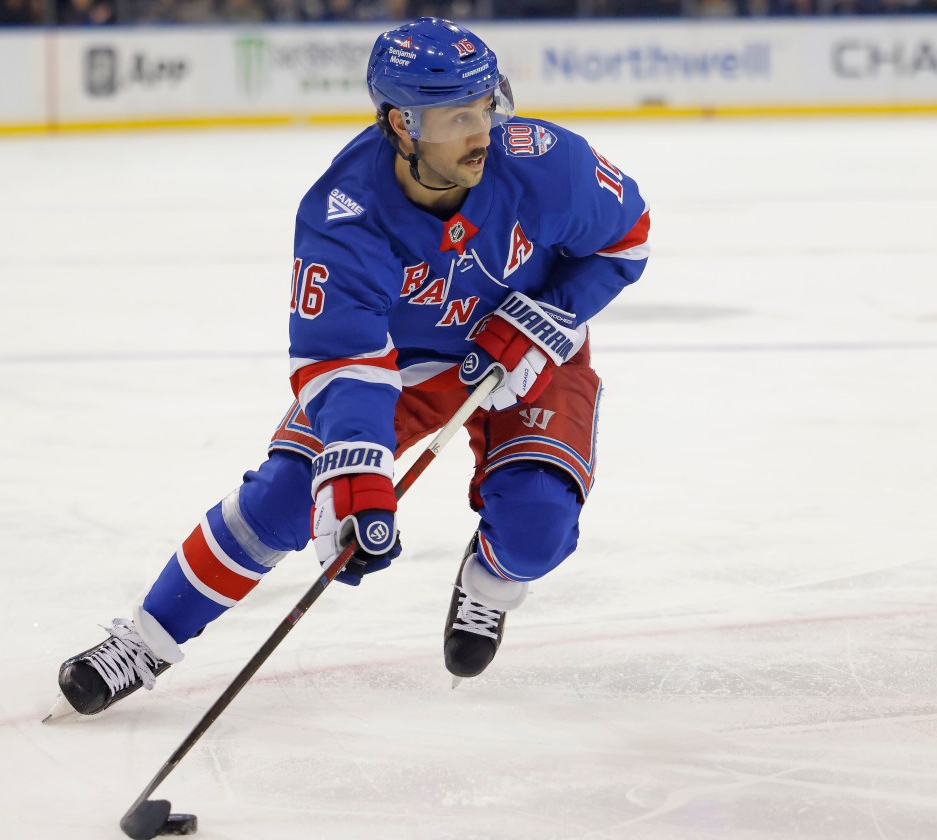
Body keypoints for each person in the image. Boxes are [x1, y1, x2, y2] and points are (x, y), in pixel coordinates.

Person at [54, 16, 650, 717]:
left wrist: (549, 315)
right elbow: (344, 359)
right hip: (401, 366)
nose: (481, 131)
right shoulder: (345, 213)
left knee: (538, 530)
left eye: (485, 106)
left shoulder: (546, 161)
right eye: (458, 116)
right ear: (402, 124)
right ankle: (145, 640)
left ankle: (487, 586)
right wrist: (358, 473)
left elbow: (626, 241)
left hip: (528, 351)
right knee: (284, 498)